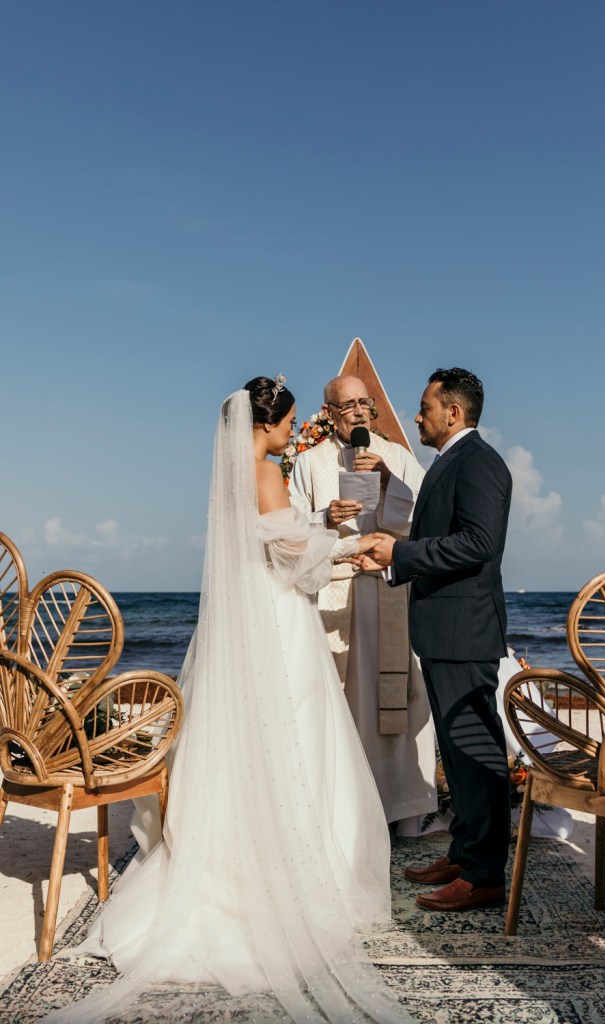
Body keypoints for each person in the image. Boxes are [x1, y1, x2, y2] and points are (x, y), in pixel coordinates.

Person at [41, 377, 413, 1024]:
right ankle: (295, 876)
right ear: (264, 425)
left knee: (245, 743)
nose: (292, 433)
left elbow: (268, 541)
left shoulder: (233, 475)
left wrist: (318, 527)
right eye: (289, 423)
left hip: (243, 618)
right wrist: (352, 545)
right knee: (294, 738)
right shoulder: (266, 471)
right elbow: (292, 559)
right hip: (277, 621)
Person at [356, 367, 512, 912]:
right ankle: (465, 853)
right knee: (458, 752)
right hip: (445, 630)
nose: (416, 416)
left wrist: (399, 553)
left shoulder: (480, 463)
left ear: (454, 411)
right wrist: (395, 557)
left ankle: (485, 876)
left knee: (475, 753)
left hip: (465, 632)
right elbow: (442, 536)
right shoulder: (449, 461)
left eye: (424, 407)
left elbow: (478, 543)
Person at [289, 374, 437, 832]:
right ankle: (343, 812)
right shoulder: (309, 462)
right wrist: (325, 517)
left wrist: (389, 481)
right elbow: (289, 531)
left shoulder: (397, 456)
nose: (357, 411)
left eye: (364, 403)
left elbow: (426, 519)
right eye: (347, 405)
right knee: (341, 702)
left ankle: (401, 809)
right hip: (334, 593)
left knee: (397, 702)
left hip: (389, 588)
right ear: (329, 412)